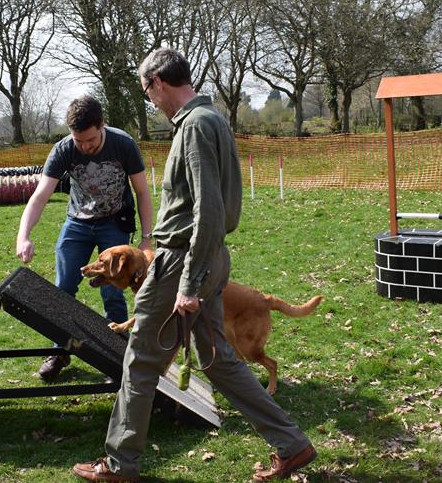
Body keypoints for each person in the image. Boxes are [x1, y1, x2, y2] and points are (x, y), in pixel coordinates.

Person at [72, 49, 316, 483]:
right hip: (205, 258)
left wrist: (189, 282)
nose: (151, 102)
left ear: (159, 83)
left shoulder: (197, 127)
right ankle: (293, 445)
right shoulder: (211, 120)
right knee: (219, 360)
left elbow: (208, 210)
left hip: (184, 260)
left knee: (141, 360)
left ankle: (120, 465)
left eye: (148, 92)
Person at [16, 95, 153, 380]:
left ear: (101, 125)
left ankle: (117, 357)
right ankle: (58, 352)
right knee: (62, 288)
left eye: (90, 140)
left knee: (113, 289)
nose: (85, 146)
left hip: (114, 223)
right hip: (77, 223)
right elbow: (41, 195)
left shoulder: (123, 144)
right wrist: (24, 235)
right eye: (79, 141)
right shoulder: (64, 149)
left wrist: (146, 238)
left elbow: (141, 191)